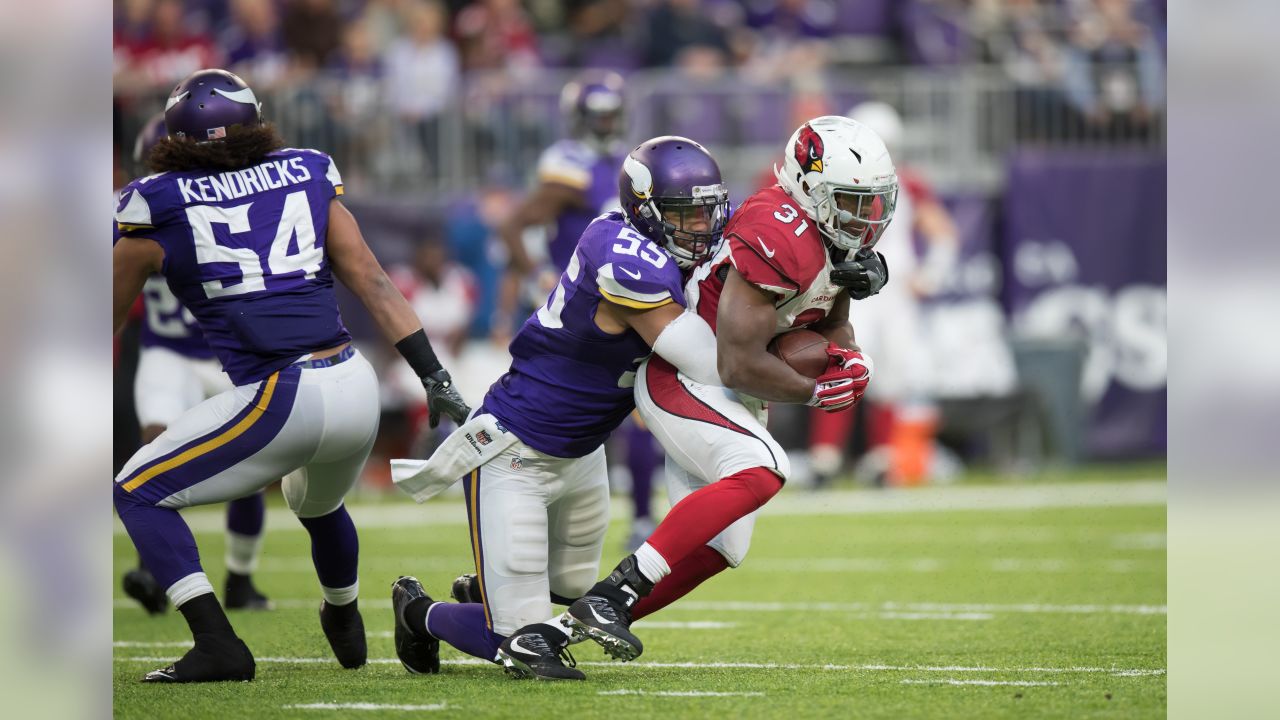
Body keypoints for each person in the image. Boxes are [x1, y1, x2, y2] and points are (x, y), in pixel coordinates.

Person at [501, 116, 897, 674]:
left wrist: (846, 356)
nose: (868, 218)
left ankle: (548, 633)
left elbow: (823, 323)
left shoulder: (824, 238)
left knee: (722, 545)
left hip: (724, 382)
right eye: (855, 202)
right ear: (813, 190)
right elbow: (734, 361)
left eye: (876, 203)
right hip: (685, 375)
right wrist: (816, 390)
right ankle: (610, 598)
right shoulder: (780, 233)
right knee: (764, 468)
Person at [112, 68, 469, 683]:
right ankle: (342, 611)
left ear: (176, 136)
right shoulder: (306, 169)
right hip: (352, 382)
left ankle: (218, 644)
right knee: (316, 501)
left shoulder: (157, 201)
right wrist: (433, 374)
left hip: (279, 395)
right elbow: (373, 279)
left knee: (136, 489)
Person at [387, 136, 730, 681]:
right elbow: (707, 361)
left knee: (572, 596)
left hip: (583, 454)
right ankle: (420, 614)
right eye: (685, 215)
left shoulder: (656, 248)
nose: (701, 228)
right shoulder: (624, 258)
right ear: (645, 210)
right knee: (524, 646)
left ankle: (486, 588)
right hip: (515, 451)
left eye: (708, 212)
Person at [494, 71, 660, 551]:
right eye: (598, 115)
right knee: (568, 413)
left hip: (622, 303)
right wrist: (541, 277)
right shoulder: (569, 164)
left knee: (638, 408)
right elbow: (515, 225)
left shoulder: (623, 161)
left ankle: (644, 517)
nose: (607, 123)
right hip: (580, 311)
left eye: (612, 114)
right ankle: (534, 514)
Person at [119, 113, 273, 616]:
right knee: (153, 446)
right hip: (169, 349)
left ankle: (241, 579)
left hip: (225, 353)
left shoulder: (222, 203)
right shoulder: (139, 207)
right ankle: (153, 568)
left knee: (248, 465)